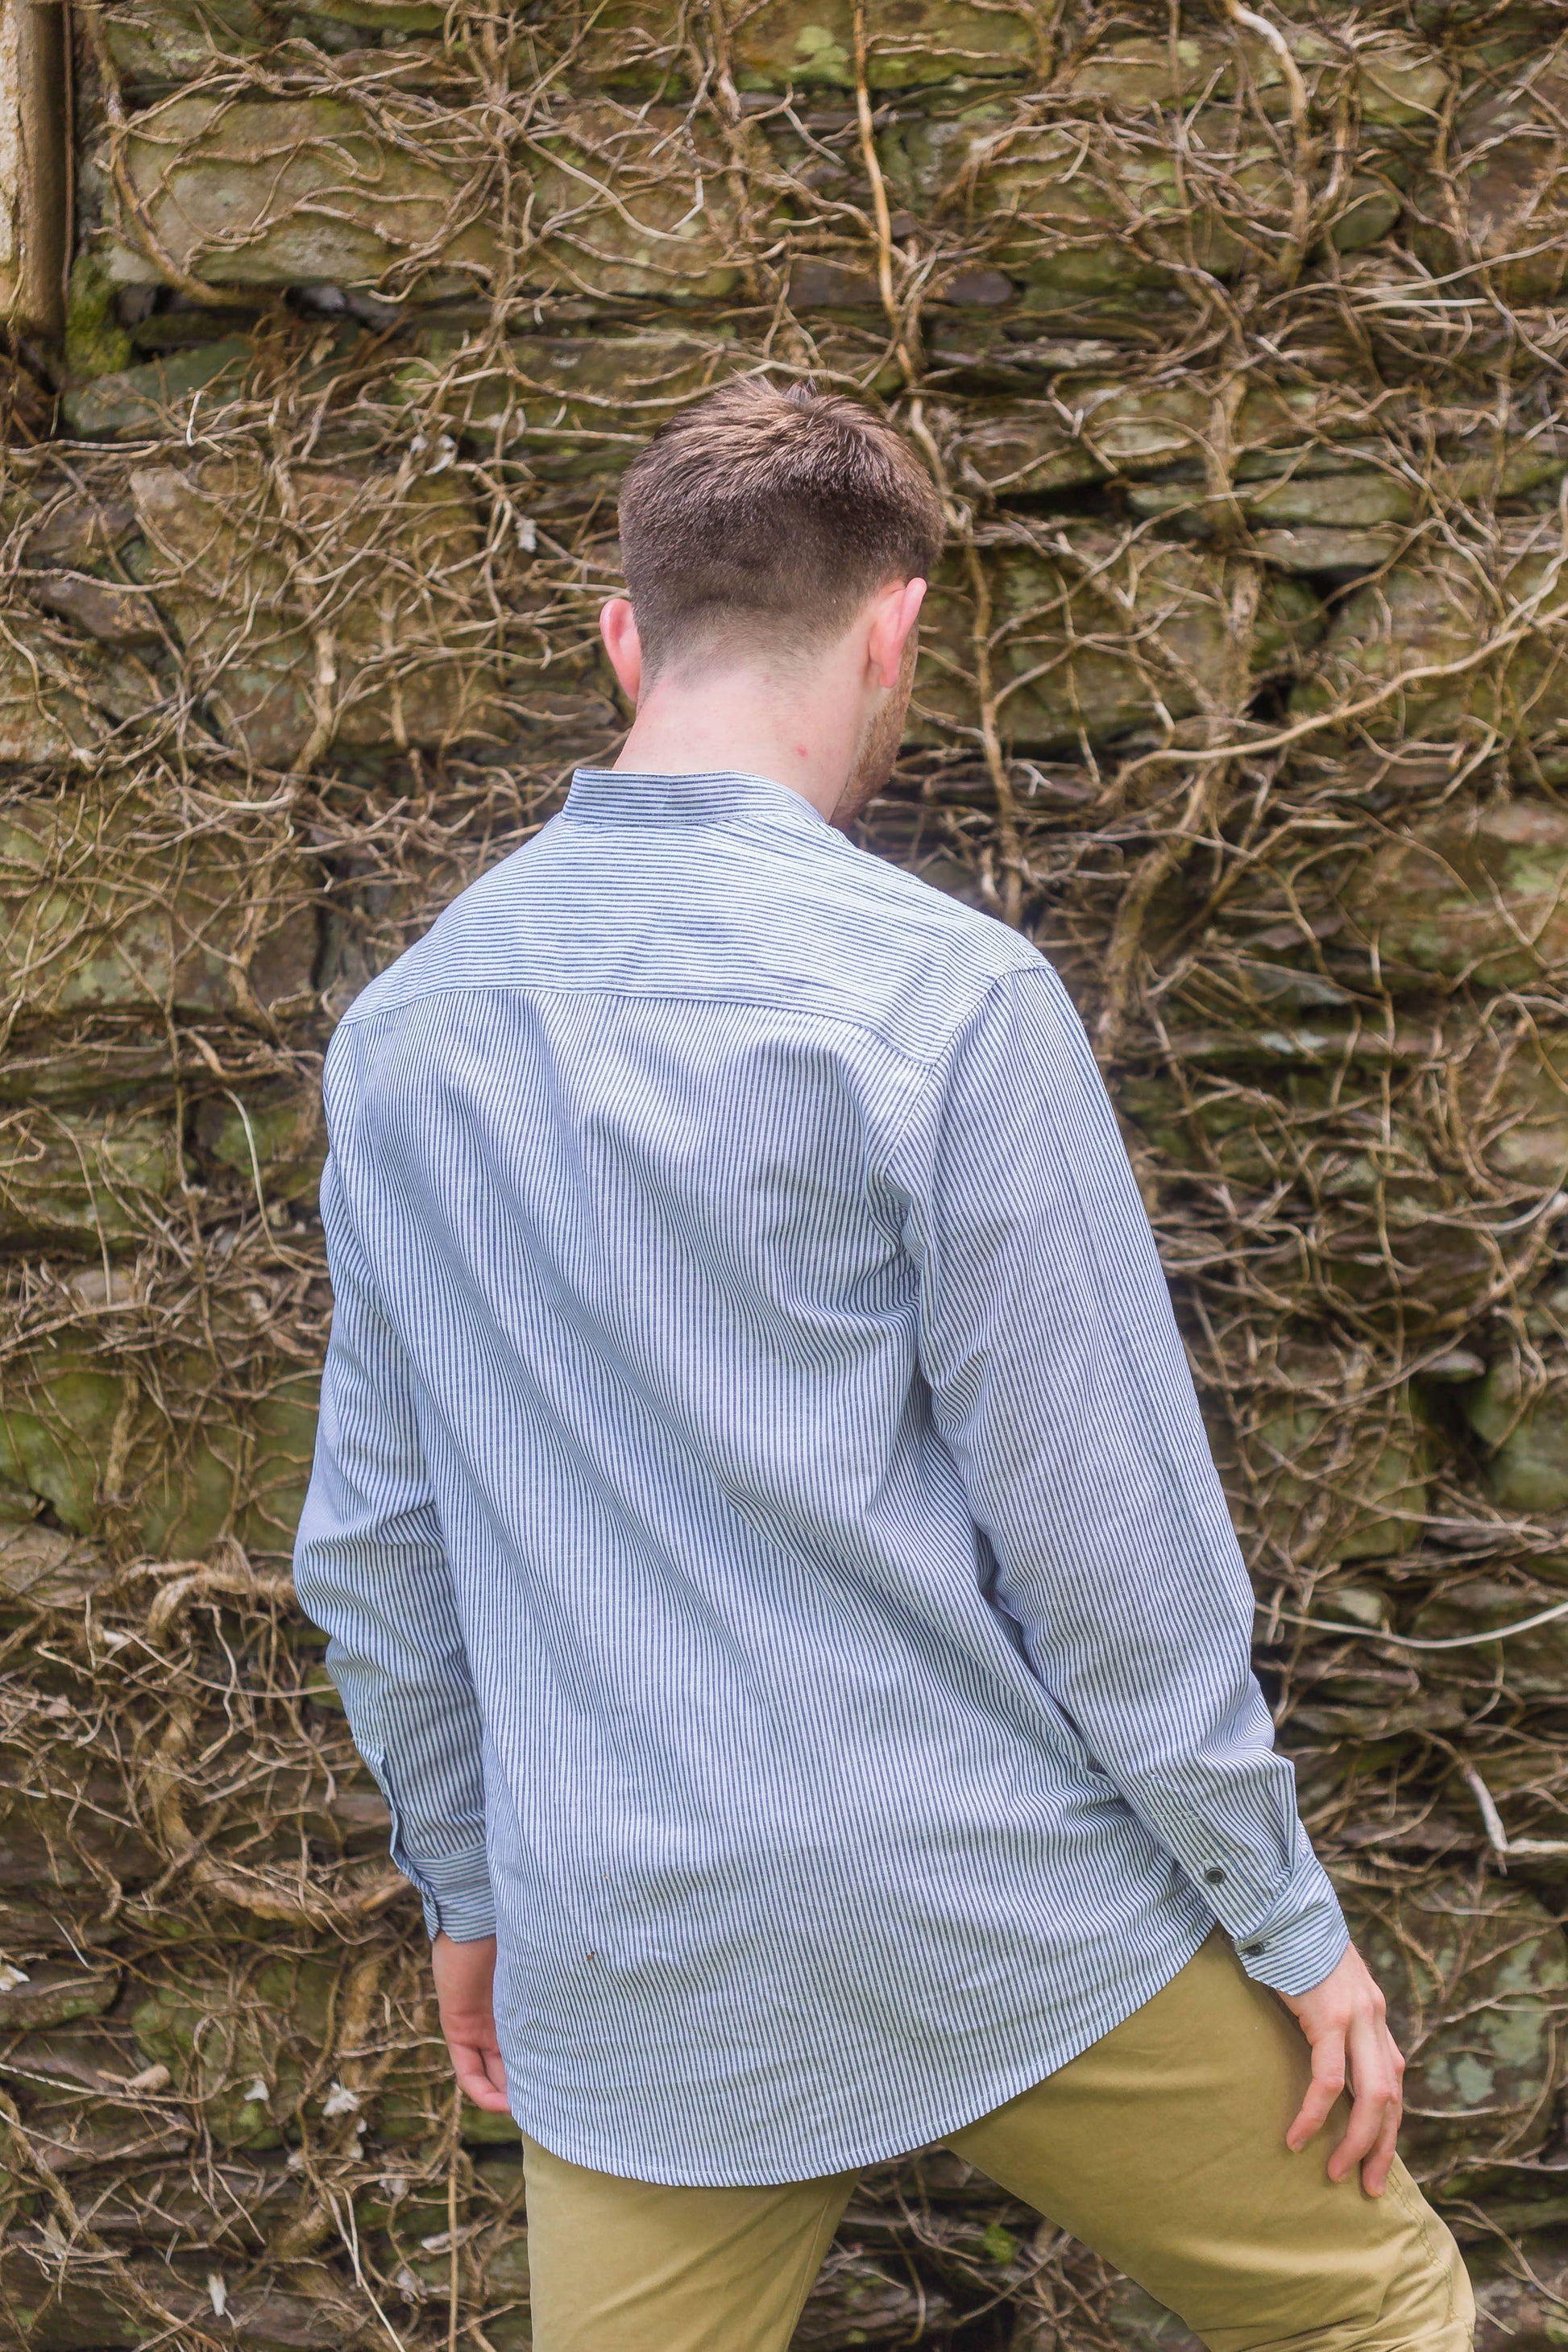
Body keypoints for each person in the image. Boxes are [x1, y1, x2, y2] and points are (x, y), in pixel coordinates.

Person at [293, 380, 1473, 2352]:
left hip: (628, 1929)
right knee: (1373, 2309)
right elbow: (1109, 1546)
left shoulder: (406, 1035)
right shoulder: (941, 997)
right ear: (895, 630)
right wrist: (1288, 1920)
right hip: (977, 1900)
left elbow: (378, 1539)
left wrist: (471, 1881)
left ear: (621, 641)